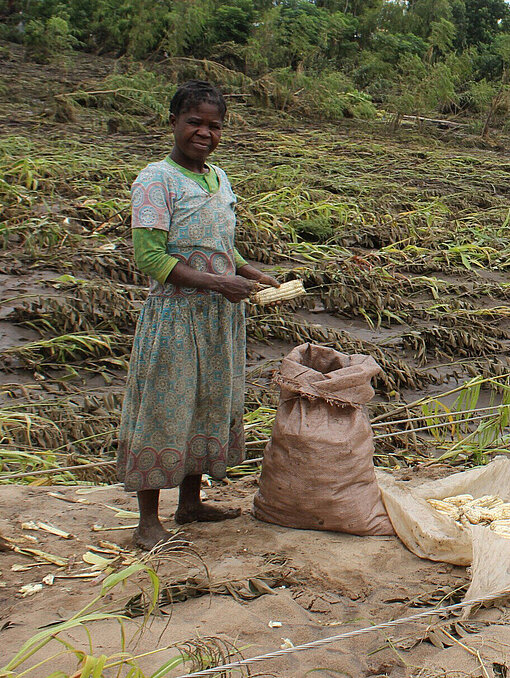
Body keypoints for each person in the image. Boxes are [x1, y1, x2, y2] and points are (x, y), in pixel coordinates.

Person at [117, 80, 279, 550]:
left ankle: (190, 504)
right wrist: (218, 282)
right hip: (176, 318)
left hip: (219, 321)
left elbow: (223, 247)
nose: (204, 132)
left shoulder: (220, 179)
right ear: (173, 123)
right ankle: (147, 522)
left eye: (214, 125)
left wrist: (250, 272)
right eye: (194, 122)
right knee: (165, 409)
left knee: (209, 404)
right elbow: (150, 259)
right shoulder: (156, 180)